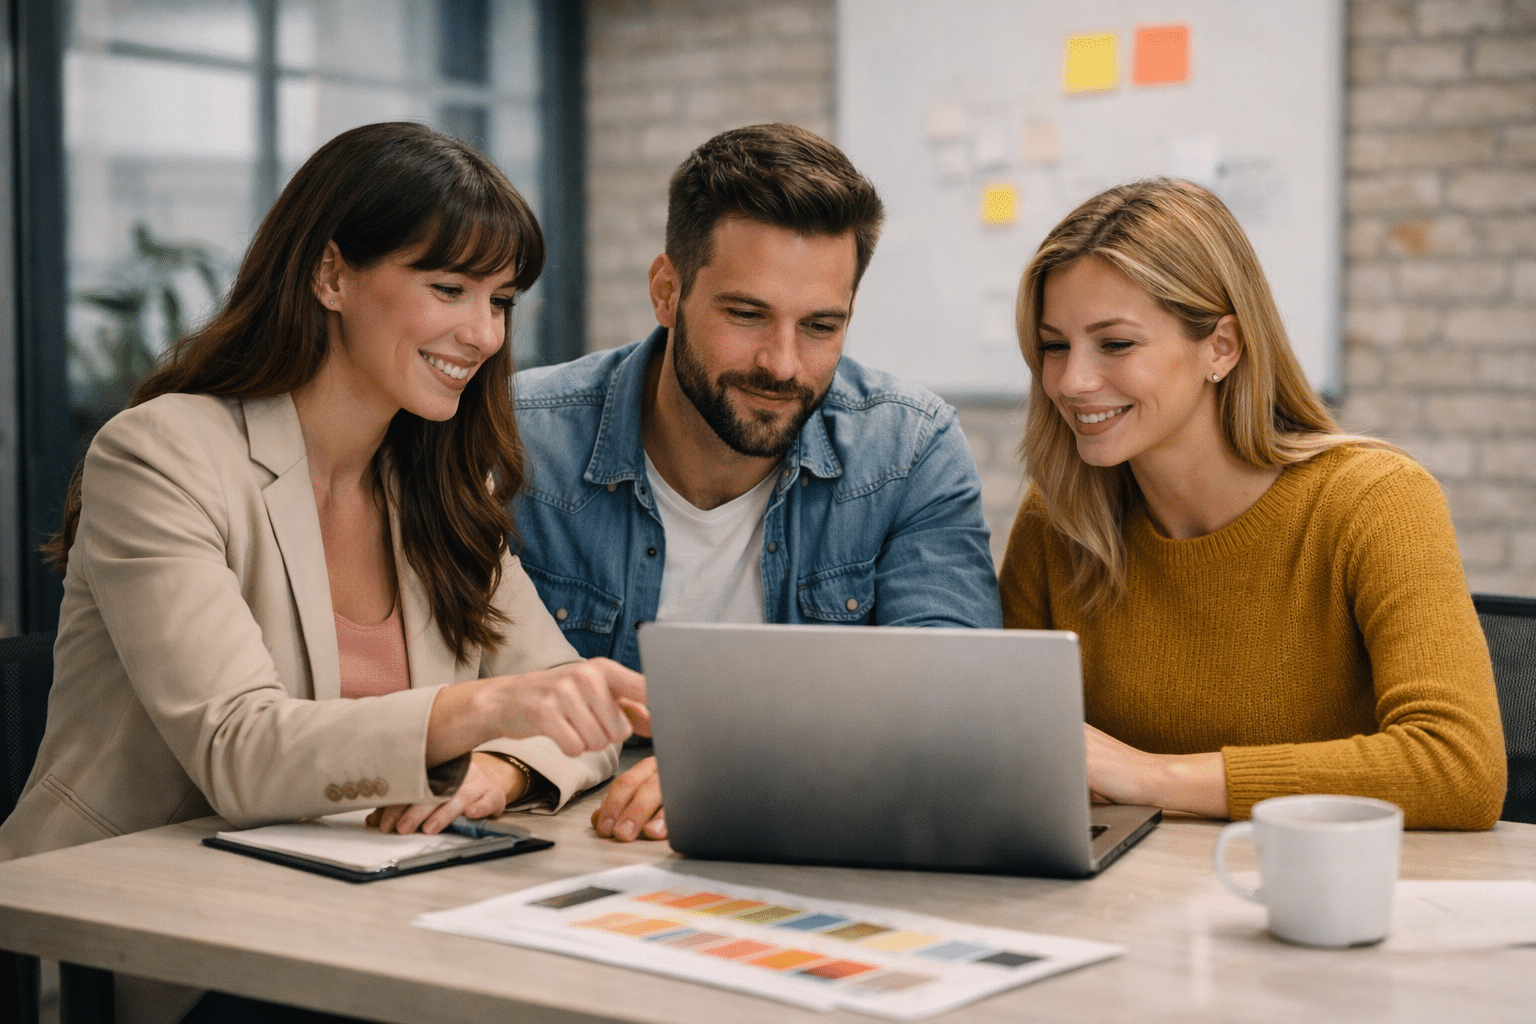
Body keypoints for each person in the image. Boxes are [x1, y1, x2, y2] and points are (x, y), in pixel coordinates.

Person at [0, 122, 648, 866]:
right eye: (449, 290)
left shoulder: (436, 490)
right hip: (130, 932)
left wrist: (499, 770)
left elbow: (576, 714)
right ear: (331, 275)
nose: (484, 334)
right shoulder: (160, 457)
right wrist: (482, 710)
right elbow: (237, 749)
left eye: (499, 301)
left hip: (356, 904)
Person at [511, 124, 1002, 843]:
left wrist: (735, 763)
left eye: (820, 327)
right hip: (567, 839)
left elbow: (954, 704)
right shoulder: (523, 439)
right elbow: (446, 685)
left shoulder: (908, 449)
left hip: (809, 838)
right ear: (665, 290)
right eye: (747, 315)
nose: (782, 364)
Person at [999, 178, 1506, 830]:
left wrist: (1152, 777)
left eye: (1116, 344)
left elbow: (1459, 766)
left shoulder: (1375, 502)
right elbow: (1005, 743)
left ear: (1222, 346)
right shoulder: (1059, 518)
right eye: (1054, 345)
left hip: (1318, 898)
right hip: (1123, 903)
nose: (1072, 381)